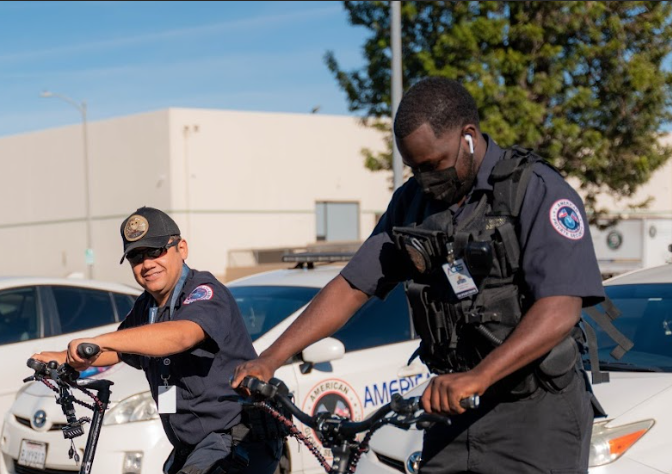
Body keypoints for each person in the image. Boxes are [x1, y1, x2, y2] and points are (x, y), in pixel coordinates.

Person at [232, 77, 607, 474]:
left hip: (535, 414)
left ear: (468, 136)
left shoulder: (536, 190)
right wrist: (271, 357)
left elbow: (560, 308)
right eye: (413, 168)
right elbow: (350, 287)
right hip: (453, 411)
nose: (425, 180)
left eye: (432, 165)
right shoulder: (412, 203)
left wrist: (479, 377)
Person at [32, 206, 283, 474]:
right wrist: (65, 357)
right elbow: (118, 350)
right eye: (136, 257)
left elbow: (182, 335)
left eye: (156, 251)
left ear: (182, 249)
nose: (147, 263)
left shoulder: (205, 292)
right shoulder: (146, 306)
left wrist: (101, 340)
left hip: (235, 440)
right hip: (192, 447)